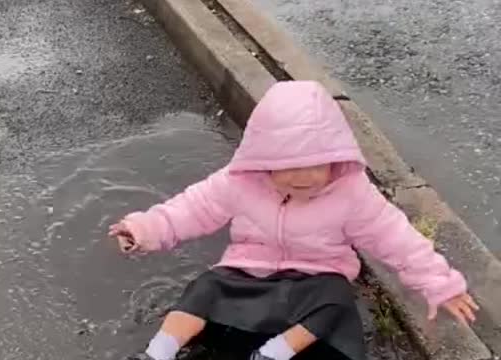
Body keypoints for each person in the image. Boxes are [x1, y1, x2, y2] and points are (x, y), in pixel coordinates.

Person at [109, 81, 479, 360]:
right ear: (263, 158)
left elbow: (395, 237)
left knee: (336, 300)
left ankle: (276, 352)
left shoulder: (351, 193)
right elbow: (191, 209)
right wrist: (145, 229)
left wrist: (437, 282)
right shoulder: (240, 182)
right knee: (204, 287)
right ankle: (159, 350)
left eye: (316, 164)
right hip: (247, 271)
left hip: (315, 277)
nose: (303, 177)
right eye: (288, 166)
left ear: (335, 157)